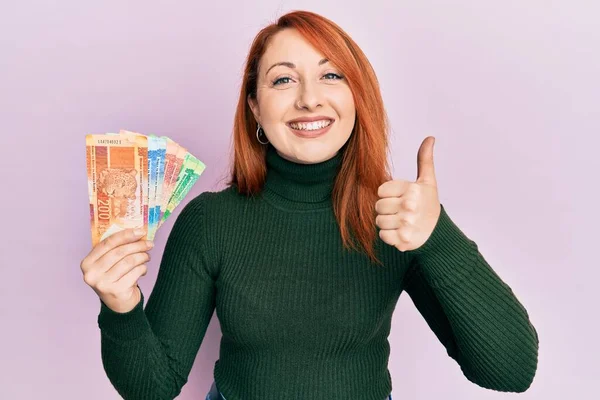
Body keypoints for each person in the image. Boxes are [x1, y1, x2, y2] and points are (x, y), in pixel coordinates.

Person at [80, 10, 539, 400]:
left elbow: (510, 373)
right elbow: (153, 385)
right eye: (283, 79)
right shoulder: (210, 222)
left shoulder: (400, 219)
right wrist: (120, 307)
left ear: (357, 96)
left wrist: (439, 238)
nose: (309, 98)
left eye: (331, 75)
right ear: (256, 107)